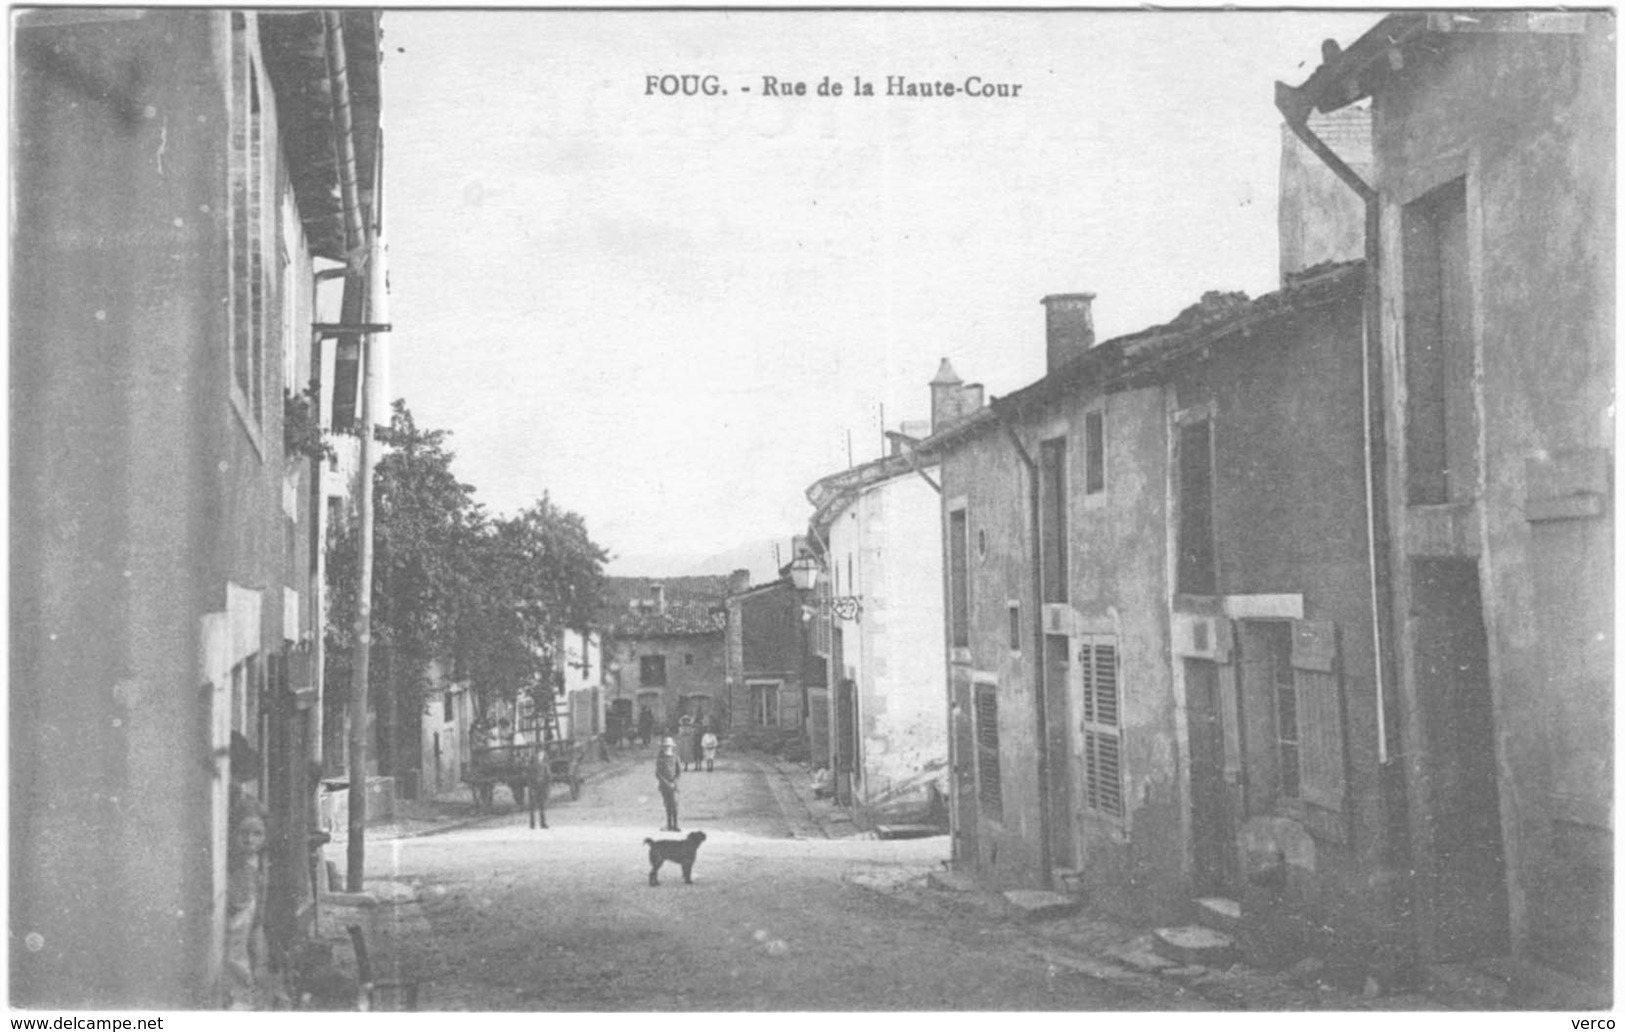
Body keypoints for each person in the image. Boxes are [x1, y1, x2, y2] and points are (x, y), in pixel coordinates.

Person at [655, 737, 681, 831]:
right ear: (662, 747)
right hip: (664, 785)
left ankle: (676, 825)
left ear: (672, 747)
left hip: (674, 785)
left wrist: (674, 782)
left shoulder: (675, 757)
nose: (667, 748)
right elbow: (658, 773)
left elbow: (678, 771)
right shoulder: (660, 758)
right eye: (665, 746)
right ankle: (669, 825)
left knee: (674, 804)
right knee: (668, 804)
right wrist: (666, 783)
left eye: (669, 746)